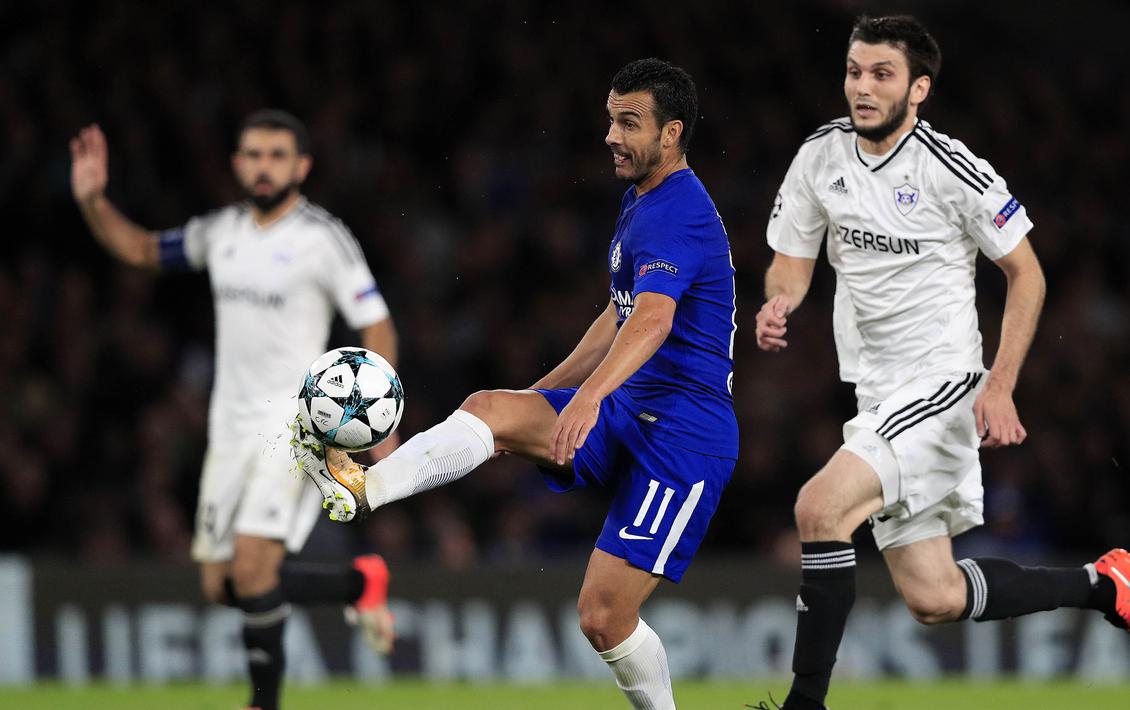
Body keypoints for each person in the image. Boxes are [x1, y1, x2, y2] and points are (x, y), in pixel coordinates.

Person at [752, 15, 1130, 710]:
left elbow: (1027, 274)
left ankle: (804, 705)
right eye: (854, 71)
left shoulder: (950, 169)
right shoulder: (820, 154)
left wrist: (998, 385)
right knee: (935, 596)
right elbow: (790, 259)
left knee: (818, 507)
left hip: (940, 383)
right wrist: (781, 301)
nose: (861, 87)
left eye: (881, 74)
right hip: (876, 393)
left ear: (918, 89)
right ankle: (1103, 586)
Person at [294, 58, 736, 710]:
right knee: (491, 409)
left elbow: (652, 320)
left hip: (684, 435)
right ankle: (364, 490)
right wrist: (541, 395)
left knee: (602, 618)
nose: (610, 136)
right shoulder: (641, 199)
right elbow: (617, 316)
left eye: (628, 123)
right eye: (610, 119)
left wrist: (587, 399)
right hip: (628, 409)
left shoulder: (679, 211)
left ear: (671, 134)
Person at [70, 110, 399, 710]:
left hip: (294, 427)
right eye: (253, 155)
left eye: (277, 155)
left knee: (251, 570)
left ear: (302, 166)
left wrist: (375, 416)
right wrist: (93, 202)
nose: (263, 166)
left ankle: (262, 702)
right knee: (222, 584)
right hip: (228, 428)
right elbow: (141, 249)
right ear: (237, 164)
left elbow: (375, 322)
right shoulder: (219, 232)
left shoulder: (323, 239)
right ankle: (359, 582)